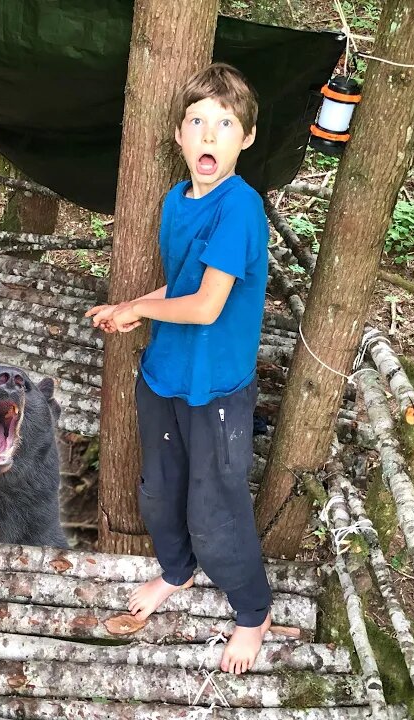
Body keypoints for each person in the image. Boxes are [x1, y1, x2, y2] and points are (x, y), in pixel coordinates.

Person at [86, 62, 272, 675]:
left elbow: (210, 304)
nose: (209, 135)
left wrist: (140, 304)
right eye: (197, 122)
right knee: (159, 494)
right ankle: (177, 572)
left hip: (216, 387)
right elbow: (185, 286)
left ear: (245, 138)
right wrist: (134, 311)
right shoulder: (176, 200)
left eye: (225, 124)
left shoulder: (240, 209)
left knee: (214, 507)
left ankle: (253, 613)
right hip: (165, 373)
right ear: (178, 136)